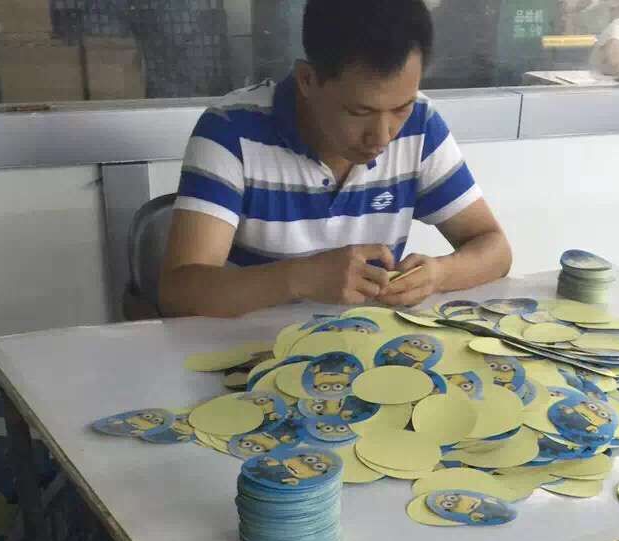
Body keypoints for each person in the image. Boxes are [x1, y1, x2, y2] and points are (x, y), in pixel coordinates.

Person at [159, 0, 511, 318]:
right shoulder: (230, 130)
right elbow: (178, 293)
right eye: (359, 112)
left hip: (363, 348)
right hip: (249, 352)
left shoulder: (420, 123)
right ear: (307, 80)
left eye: (400, 108)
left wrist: (440, 274)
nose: (383, 136)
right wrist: (298, 278)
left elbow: (495, 249)